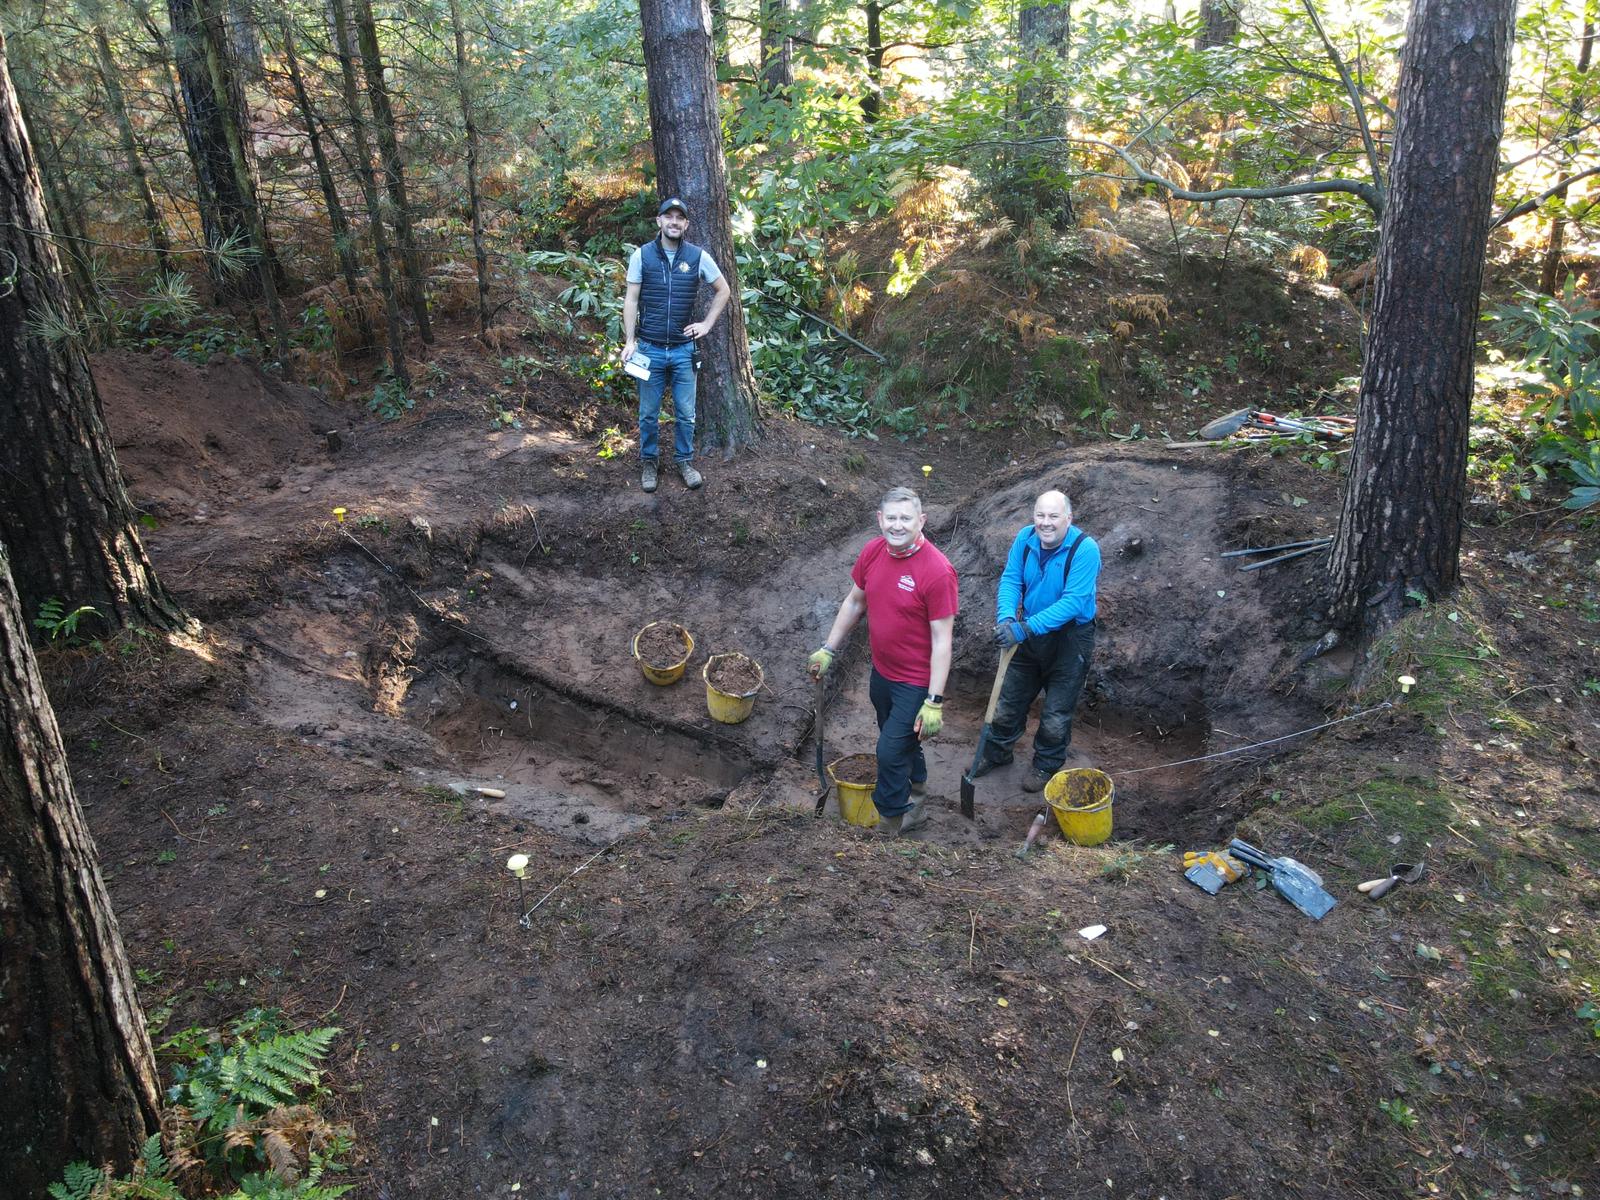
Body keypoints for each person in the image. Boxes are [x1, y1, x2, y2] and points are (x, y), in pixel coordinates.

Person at [808, 487, 958, 836]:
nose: (897, 525)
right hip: (883, 674)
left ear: (921, 521)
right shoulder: (874, 552)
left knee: (889, 752)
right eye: (891, 518)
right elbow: (855, 603)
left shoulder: (937, 571)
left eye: (906, 518)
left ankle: (890, 823)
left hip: (916, 681)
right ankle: (917, 797)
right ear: (880, 520)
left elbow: (942, 640)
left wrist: (934, 701)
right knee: (904, 740)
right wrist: (828, 649)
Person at [973, 489, 1101, 793]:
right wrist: (1006, 618)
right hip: (1028, 632)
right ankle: (996, 754)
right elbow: (1011, 578)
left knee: (1056, 713)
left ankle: (1046, 764)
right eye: (1040, 515)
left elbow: (1073, 602)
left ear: (1068, 518)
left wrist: (1025, 628)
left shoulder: (1085, 550)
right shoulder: (1025, 539)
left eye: (1054, 516)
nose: (1046, 523)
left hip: (1070, 641)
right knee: (1008, 701)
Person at [619, 197, 732, 494]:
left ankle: (684, 461)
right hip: (649, 349)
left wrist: (706, 325)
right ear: (658, 221)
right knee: (648, 413)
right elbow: (630, 300)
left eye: (679, 218)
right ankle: (649, 462)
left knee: (686, 413)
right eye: (668, 216)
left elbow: (723, 290)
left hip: (683, 350)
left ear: (686, 224)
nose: (674, 222)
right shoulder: (641, 256)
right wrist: (630, 341)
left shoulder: (698, 257)